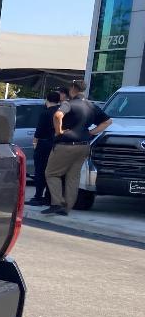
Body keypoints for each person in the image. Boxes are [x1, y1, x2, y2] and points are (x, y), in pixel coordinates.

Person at [43, 79, 112, 215]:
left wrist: (59, 131)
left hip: (65, 145)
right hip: (84, 145)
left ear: (73, 88)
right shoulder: (92, 106)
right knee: (73, 177)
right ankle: (67, 207)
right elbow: (108, 121)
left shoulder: (68, 104)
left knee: (51, 173)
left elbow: (58, 115)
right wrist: (91, 132)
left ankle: (57, 203)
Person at [28, 91, 61, 206]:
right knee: (52, 172)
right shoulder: (61, 112)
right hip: (57, 145)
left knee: (40, 171)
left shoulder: (45, 113)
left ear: (47, 99)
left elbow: (39, 131)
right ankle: (49, 197)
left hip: (44, 144)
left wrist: (35, 144)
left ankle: (38, 196)